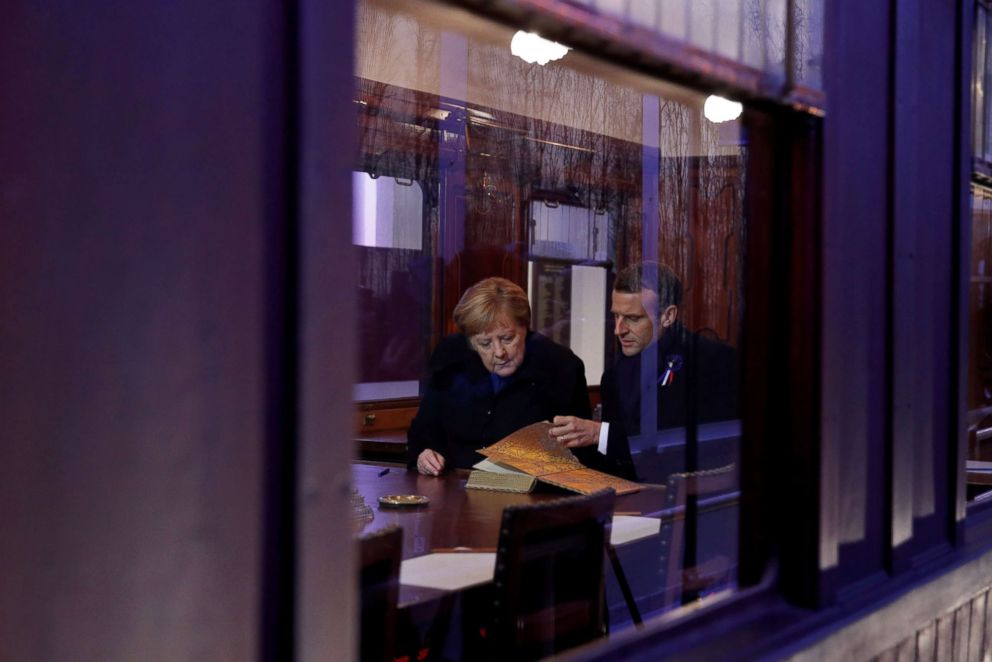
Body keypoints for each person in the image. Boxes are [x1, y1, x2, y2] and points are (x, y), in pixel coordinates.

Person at [550, 262, 738, 481]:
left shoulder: (714, 362)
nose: (618, 330)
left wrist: (599, 433)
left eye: (632, 318)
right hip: (630, 503)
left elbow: (699, 449)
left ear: (668, 316)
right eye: (616, 316)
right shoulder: (613, 376)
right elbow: (615, 462)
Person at [407, 277, 591, 475]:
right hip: (456, 486)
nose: (499, 352)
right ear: (471, 342)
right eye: (485, 344)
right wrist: (424, 454)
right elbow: (424, 428)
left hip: (532, 493)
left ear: (525, 328)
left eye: (507, 338)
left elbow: (581, 451)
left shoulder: (561, 366)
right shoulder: (451, 357)